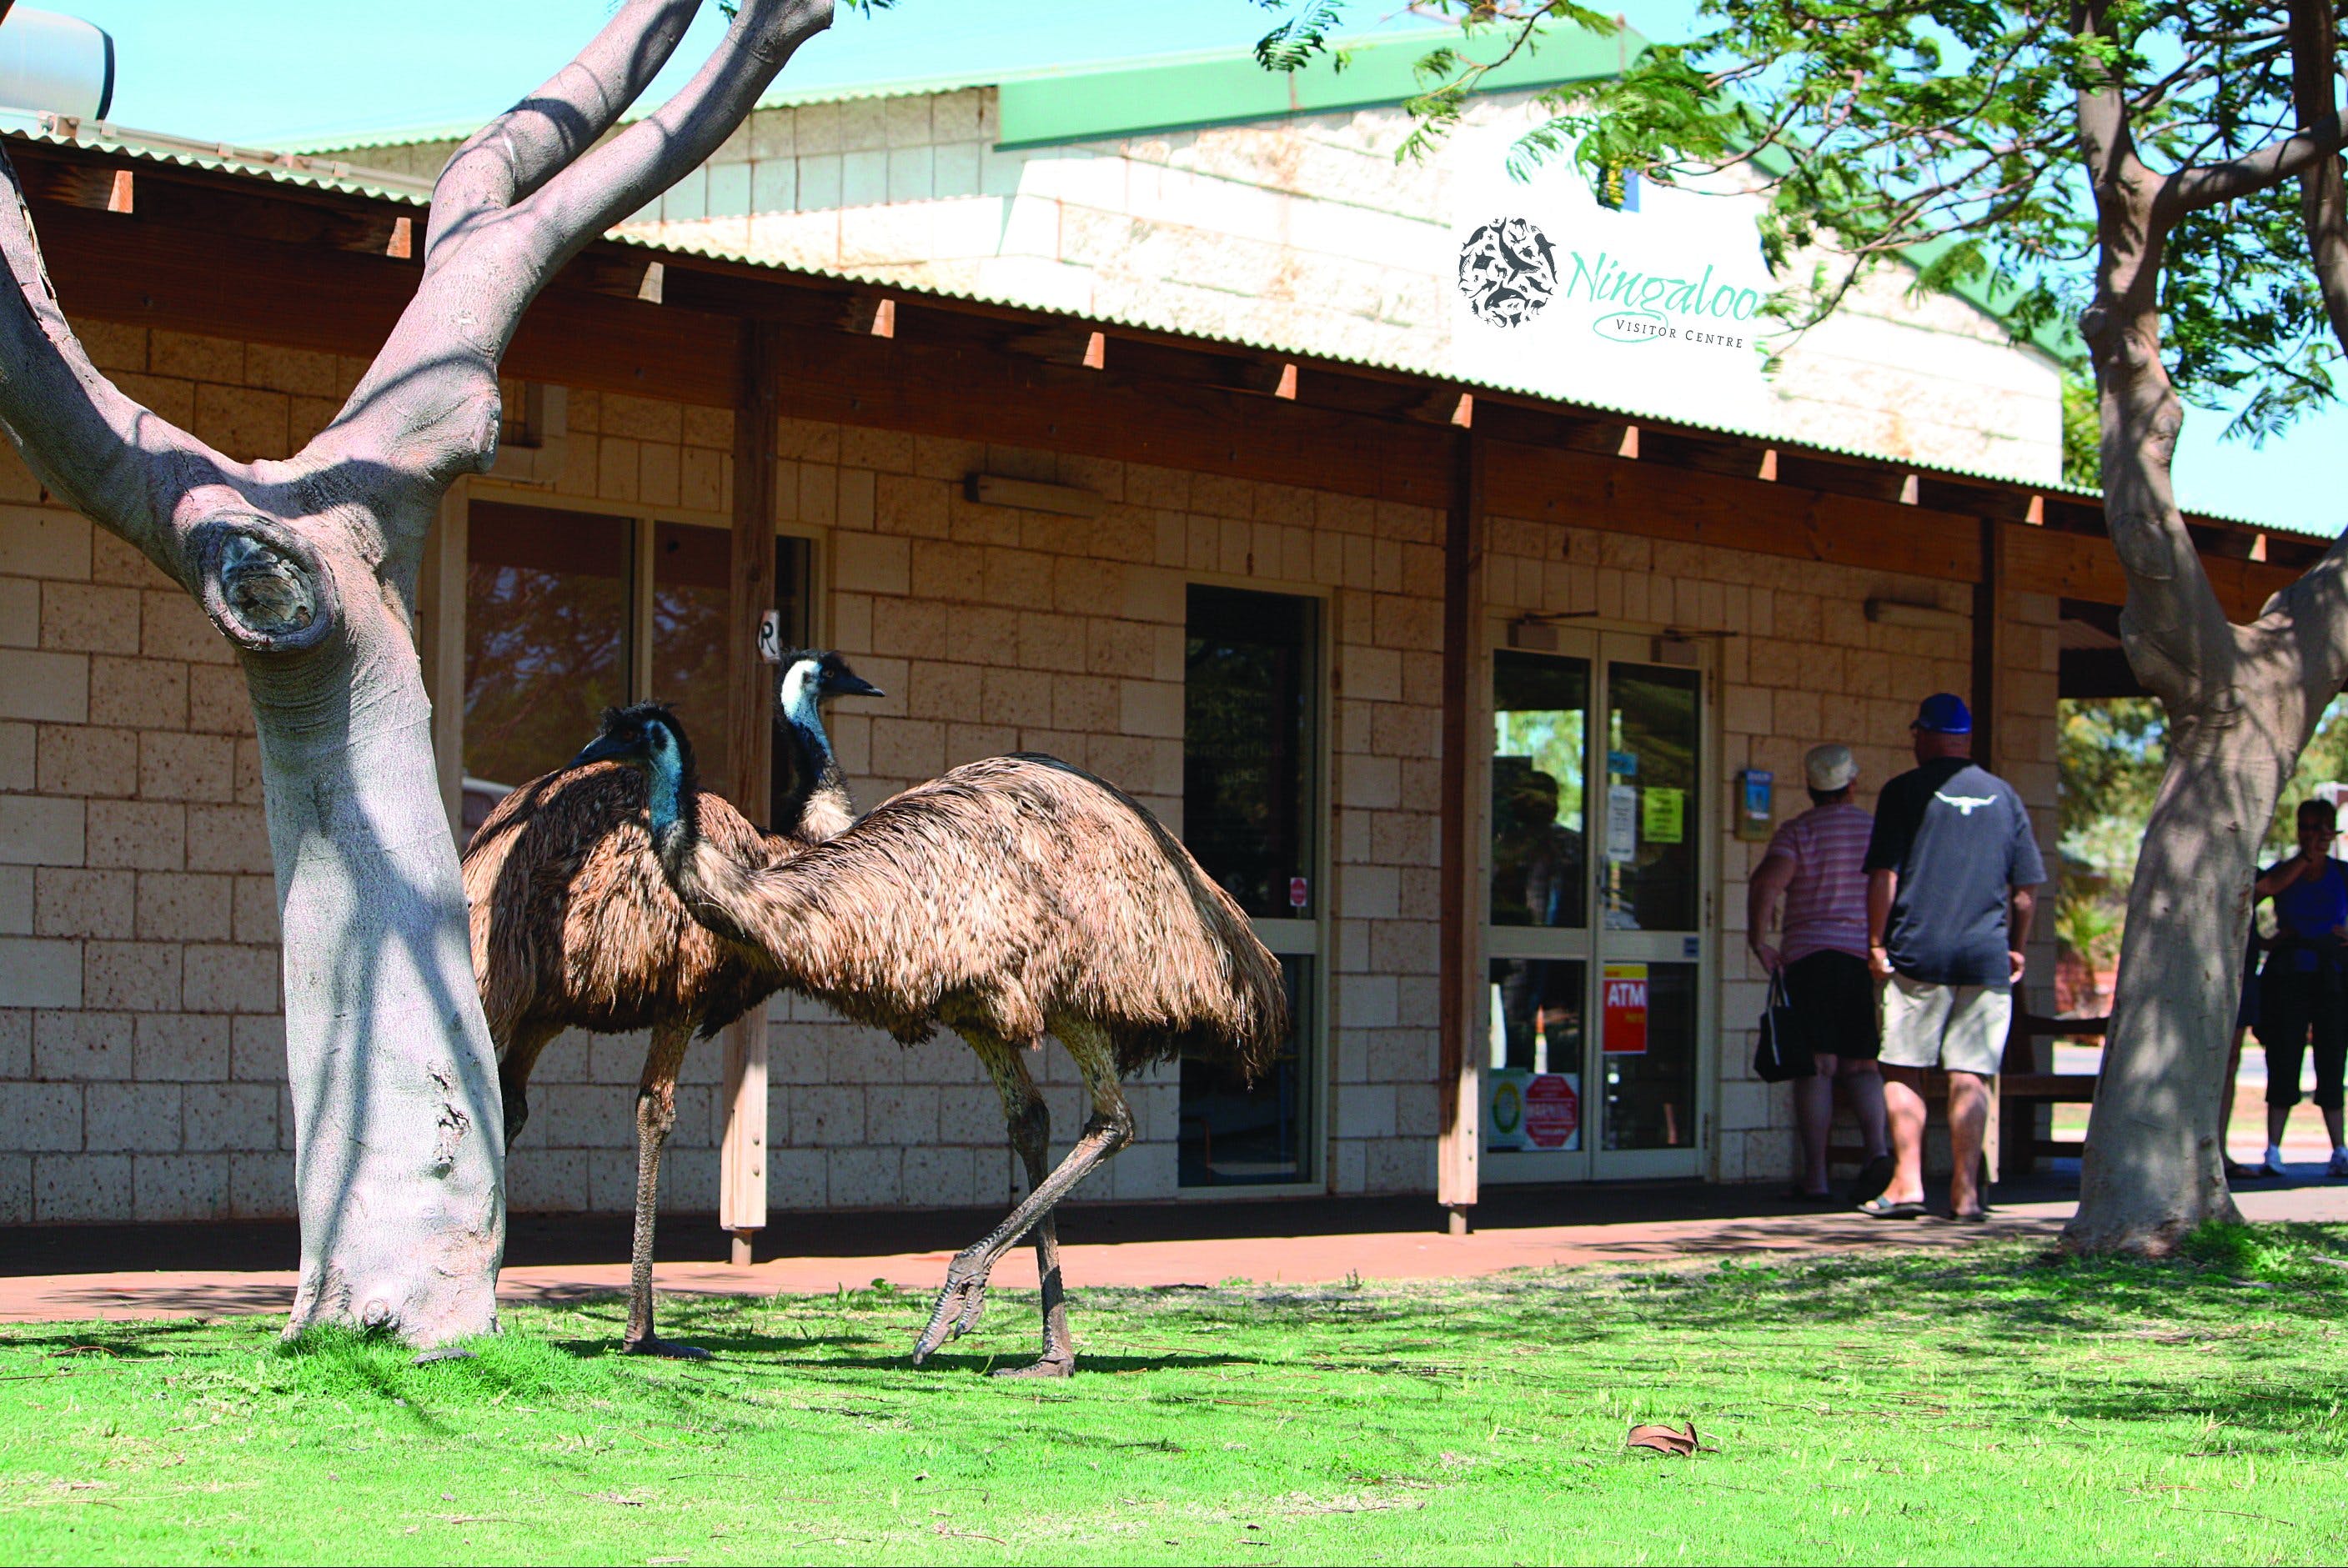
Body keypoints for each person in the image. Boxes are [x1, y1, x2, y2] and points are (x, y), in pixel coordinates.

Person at [1859, 694, 2045, 1221]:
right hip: (1985, 956)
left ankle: (1907, 1183)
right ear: (1964, 738)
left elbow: (1884, 876)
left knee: (1902, 1066)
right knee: (1972, 1072)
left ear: (1924, 733)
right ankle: (1966, 1193)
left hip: (1918, 951)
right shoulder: (2003, 795)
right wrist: (2016, 947)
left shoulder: (1904, 791)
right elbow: (2027, 888)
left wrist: (1876, 943)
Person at [1747, 742, 1892, 1204]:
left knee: (1817, 1067)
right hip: (1860, 958)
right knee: (1863, 1065)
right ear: (1853, 783)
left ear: (1810, 786)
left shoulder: (1797, 831)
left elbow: (1767, 882)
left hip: (1809, 958)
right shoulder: (1875, 830)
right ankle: (1878, 1155)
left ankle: (1817, 1178)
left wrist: (1759, 939)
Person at [2248, 799, 2348, 1179]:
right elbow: (2258, 893)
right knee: (2284, 1058)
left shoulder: (2342, 874)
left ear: (2334, 831)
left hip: (2333, 978)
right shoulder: (2285, 870)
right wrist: (2267, 942)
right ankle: (2273, 1150)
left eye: (2322, 828)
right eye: (2307, 827)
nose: (2314, 835)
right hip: (2289, 976)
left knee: (2332, 1059)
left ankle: (2339, 1150)